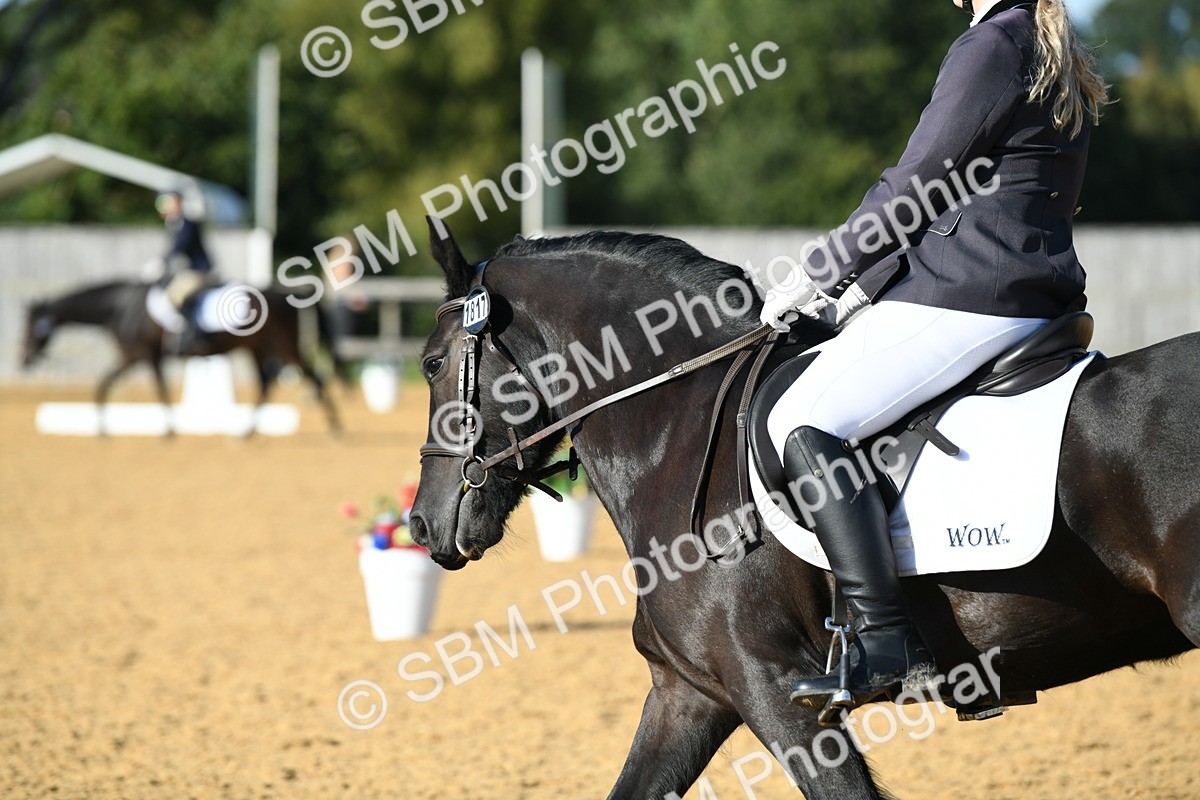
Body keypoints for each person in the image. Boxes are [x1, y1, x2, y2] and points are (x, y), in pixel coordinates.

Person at [760, 0, 1108, 708]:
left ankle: (886, 641)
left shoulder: (991, 44)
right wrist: (863, 292)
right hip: (1029, 293)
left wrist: (820, 274)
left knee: (800, 420)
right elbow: (965, 202)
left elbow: (913, 186)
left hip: (973, 297)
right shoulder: (1042, 40)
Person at [150, 191, 215, 351]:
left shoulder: (188, 224)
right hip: (186, 271)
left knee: (176, 294)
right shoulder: (173, 224)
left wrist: (161, 262)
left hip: (198, 271)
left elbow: (179, 246)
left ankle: (191, 333)